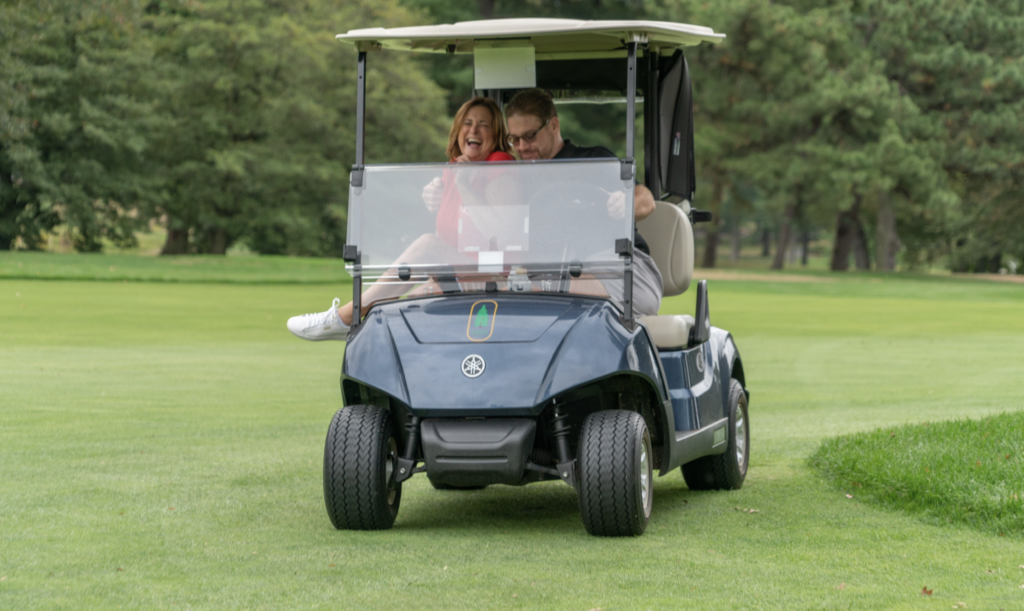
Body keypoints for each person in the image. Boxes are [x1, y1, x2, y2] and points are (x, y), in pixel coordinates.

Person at [287, 97, 514, 341]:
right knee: (401, 312)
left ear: (496, 134)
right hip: (461, 276)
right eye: (467, 123)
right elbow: (451, 239)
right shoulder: (455, 169)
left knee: (428, 244)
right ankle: (359, 332)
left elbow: (502, 232)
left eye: (484, 125)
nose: (474, 130)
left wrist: (463, 186)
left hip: (493, 279)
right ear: (458, 131)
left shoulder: (499, 164)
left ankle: (345, 316)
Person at [503, 88, 663, 317]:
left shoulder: (592, 160)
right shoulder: (519, 179)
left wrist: (625, 203)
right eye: (514, 139)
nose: (522, 147)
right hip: (553, 275)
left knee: (547, 293)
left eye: (530, 136)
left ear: (554, 125)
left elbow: (646, 201)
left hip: (619, 267)